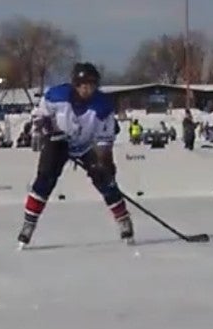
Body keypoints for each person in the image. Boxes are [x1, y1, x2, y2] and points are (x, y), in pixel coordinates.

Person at [16, 63, 133, 249]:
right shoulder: (57, 95)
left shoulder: (103, 106)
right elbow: (39, 115)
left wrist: (105, 161)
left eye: (91, 85)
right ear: (75, 85)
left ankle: (123, 220)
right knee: (45, 179)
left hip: (87, 145)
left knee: (105, 180)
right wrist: (44, 125)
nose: (87, 89)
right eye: (83, 85)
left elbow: (105, 137)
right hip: (59, 141)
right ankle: (28, 225)